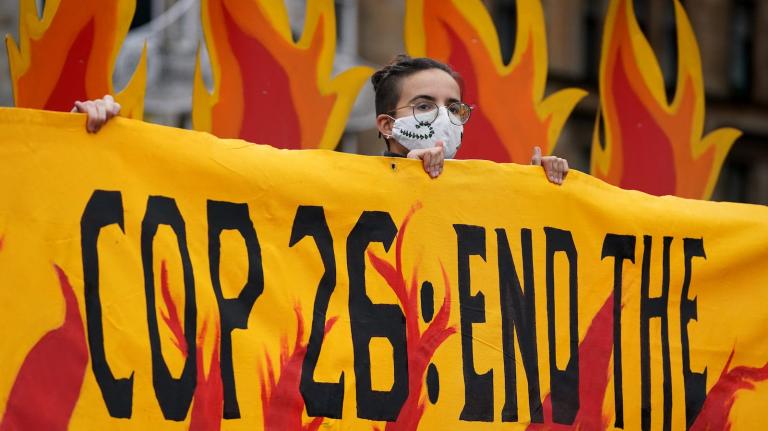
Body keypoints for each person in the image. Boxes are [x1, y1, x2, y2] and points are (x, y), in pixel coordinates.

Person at [72, 55, 568, 184]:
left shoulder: (487, 199)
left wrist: (549, 197)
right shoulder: (330, 184)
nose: (443, 118)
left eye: (453, 106)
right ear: (386, 126)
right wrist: (105, 143)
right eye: (423, 106)